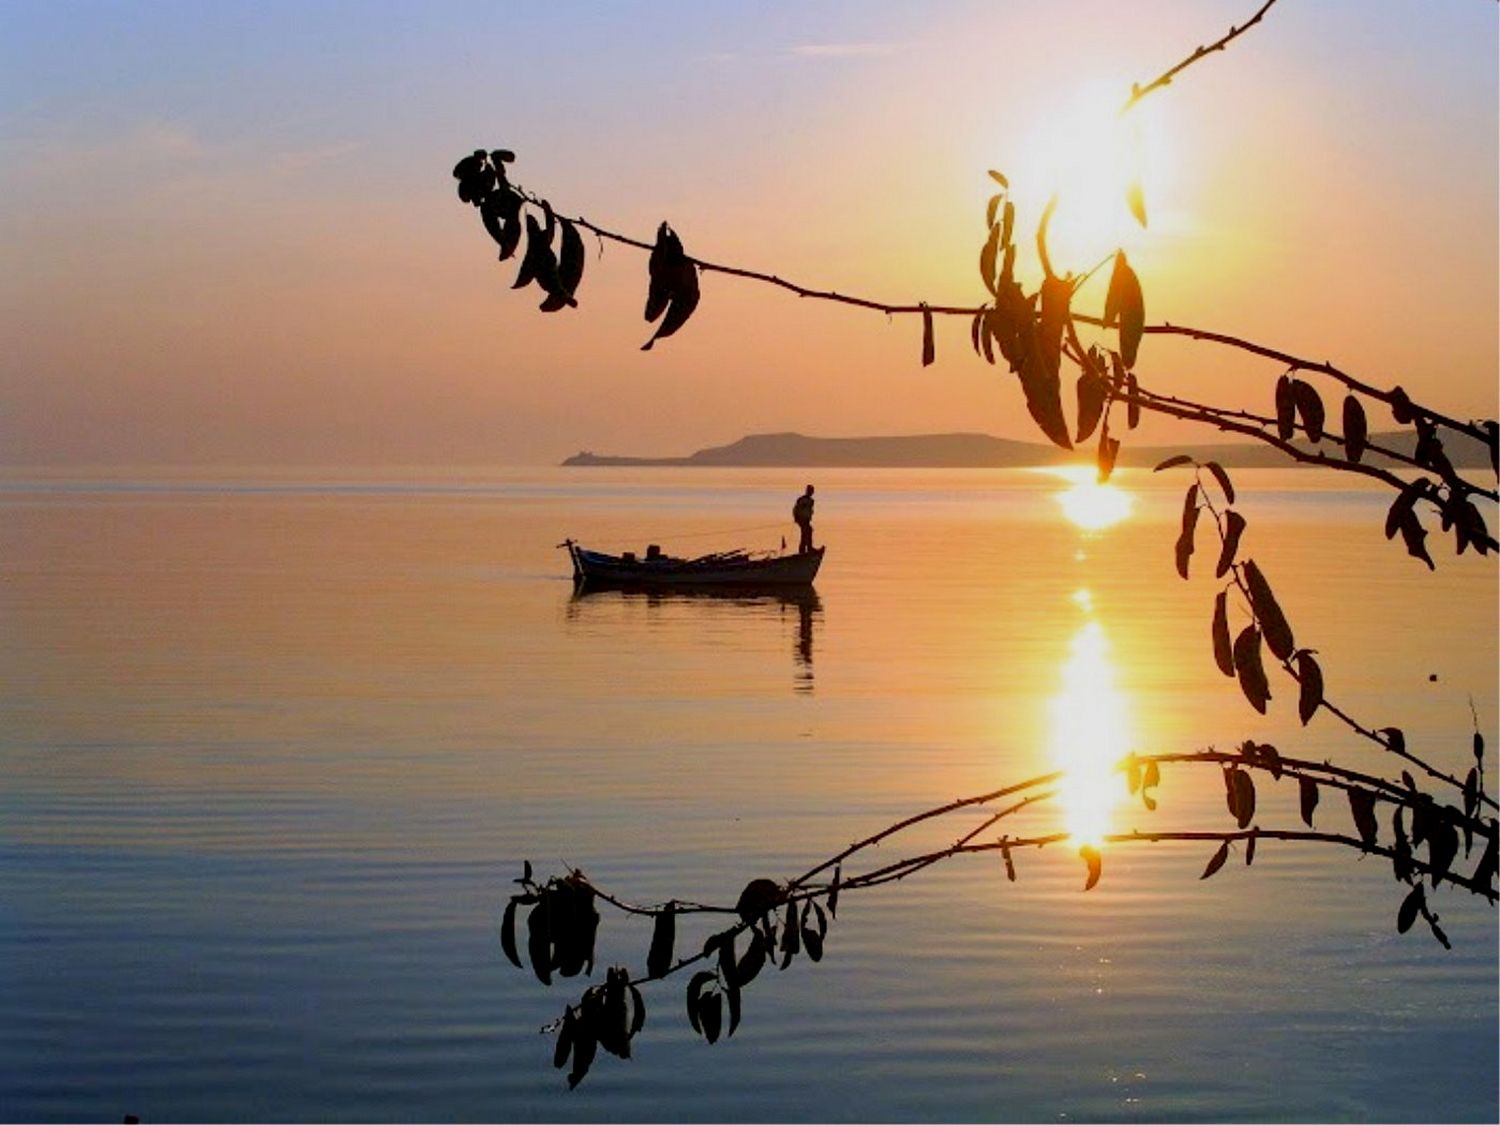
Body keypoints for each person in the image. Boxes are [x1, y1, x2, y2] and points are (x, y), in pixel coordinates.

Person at [792, 484, 815, 554]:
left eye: (812, 491)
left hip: (806, 520)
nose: (811, 492)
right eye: (810, 491)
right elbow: (796, 509)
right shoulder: (801, 499)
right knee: (805, 533)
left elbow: (809, 511)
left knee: (808, 531)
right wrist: (796, 518)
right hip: (802, 520)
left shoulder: (811, 501)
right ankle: (804, 550)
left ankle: (808, 548)